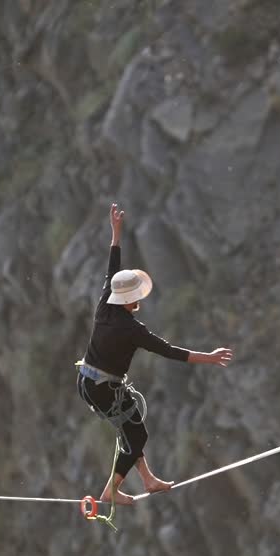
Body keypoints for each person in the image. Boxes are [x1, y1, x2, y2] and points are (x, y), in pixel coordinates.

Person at [77, 203, 234, 511]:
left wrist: (116, 234)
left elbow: (112, 268)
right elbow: (171, 352)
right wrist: (211, 358)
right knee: (137, 435)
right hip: (103, 388)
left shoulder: (105, 305)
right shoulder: (131, 329)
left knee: (132, 424)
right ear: (131, 299)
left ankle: (147, 479)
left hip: (88, 380)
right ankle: (111, 490)